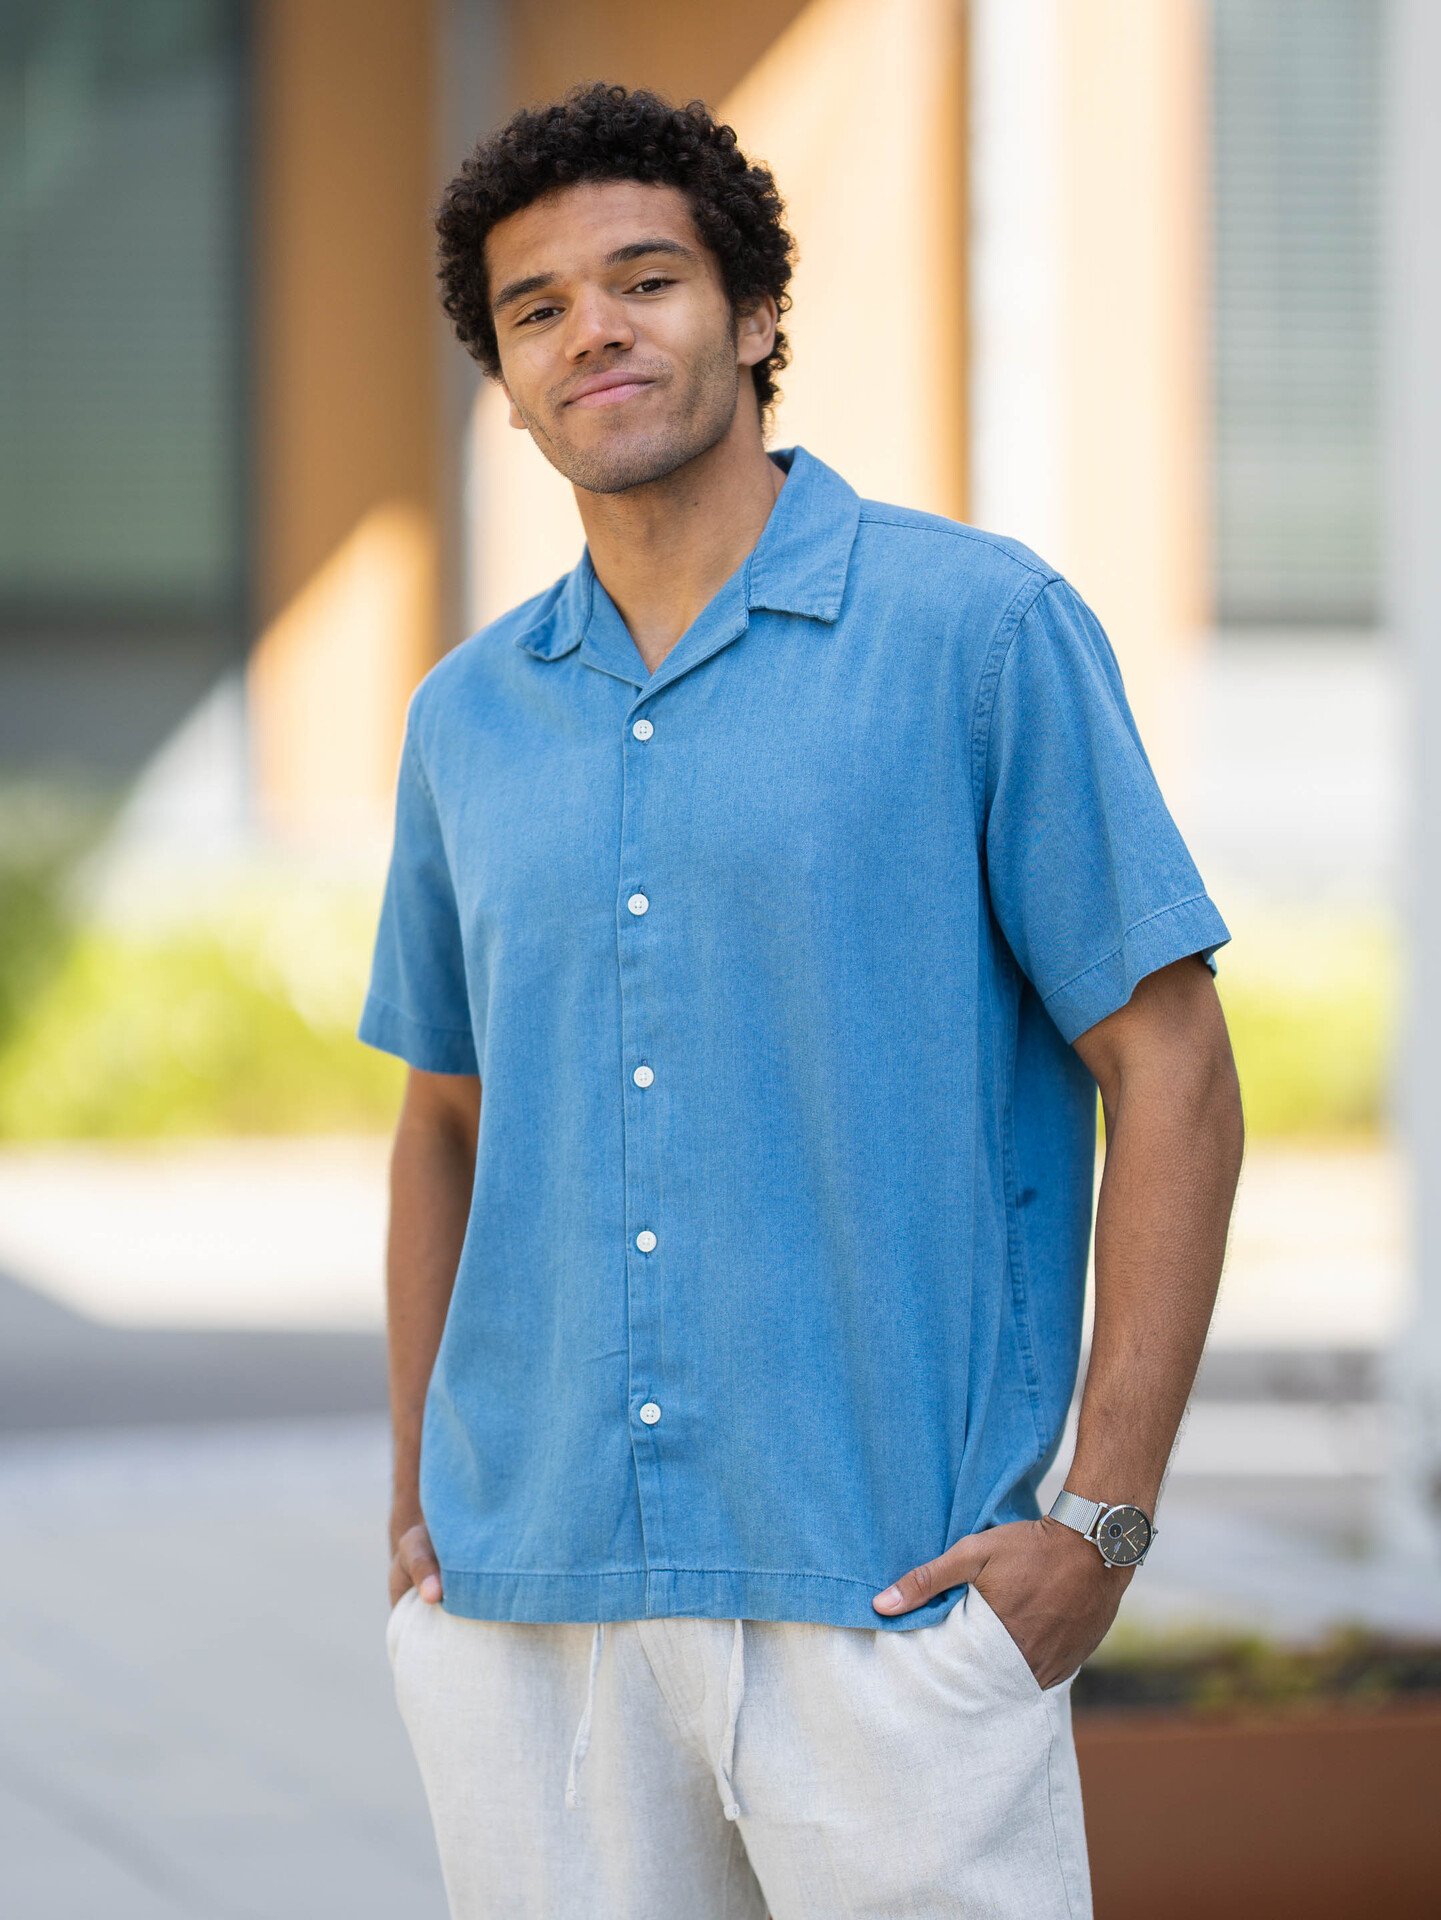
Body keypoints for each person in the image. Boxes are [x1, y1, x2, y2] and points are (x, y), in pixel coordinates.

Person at [358, 79, 1245, 1920]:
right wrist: (412, 1509)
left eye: (645, 278)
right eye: (536, 308)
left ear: (755, 318)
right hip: (528, 1611)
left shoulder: (976, 634)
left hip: (893, 1599)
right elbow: (444, 1114)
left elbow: (1166, 1062)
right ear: (505, 383)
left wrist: (1102, 1522)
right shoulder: (464, 719)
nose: (591, 326)